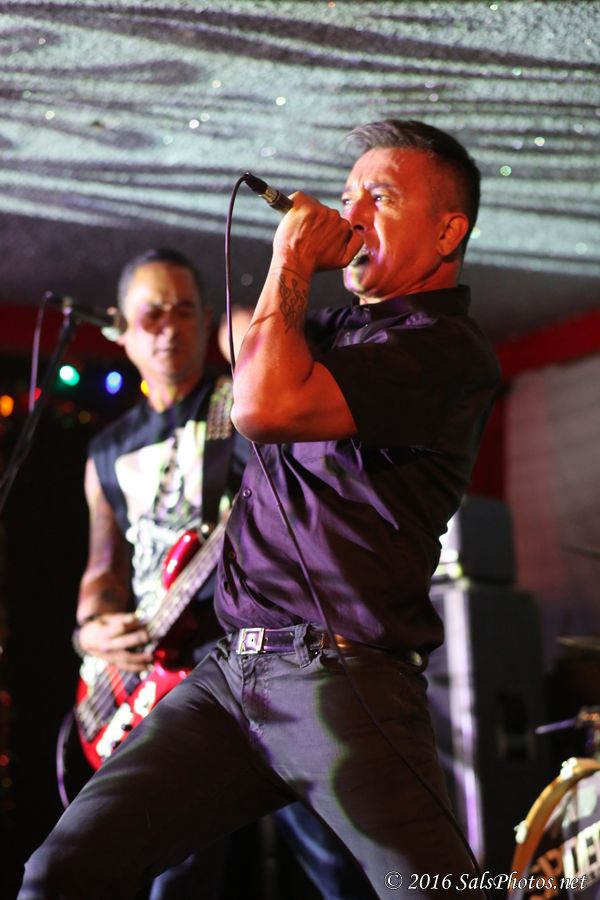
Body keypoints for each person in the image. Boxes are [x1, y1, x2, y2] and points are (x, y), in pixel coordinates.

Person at [19, 119, 500, 899]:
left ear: (448, 232)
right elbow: (259, 359)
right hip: (227, 677)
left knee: (435, 890)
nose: (349, 215)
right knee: (61, 872)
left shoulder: (444, 348)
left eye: (379, 198)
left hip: (339, 674)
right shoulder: (334, 331)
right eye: (346, 196)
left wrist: (290, 258)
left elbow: (261, 404)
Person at [59, 246, 369, 900]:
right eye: (152, 314)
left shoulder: (242, 400)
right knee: (177, 874)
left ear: (205, 321)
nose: (169, 327)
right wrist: (92, 628)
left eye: (185, 311)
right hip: (162, 678)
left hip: (262, 660)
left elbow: (297, 374)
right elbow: (103, 568)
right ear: (121, 329)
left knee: (335, 853)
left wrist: (241, 327)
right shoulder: (106, 451)